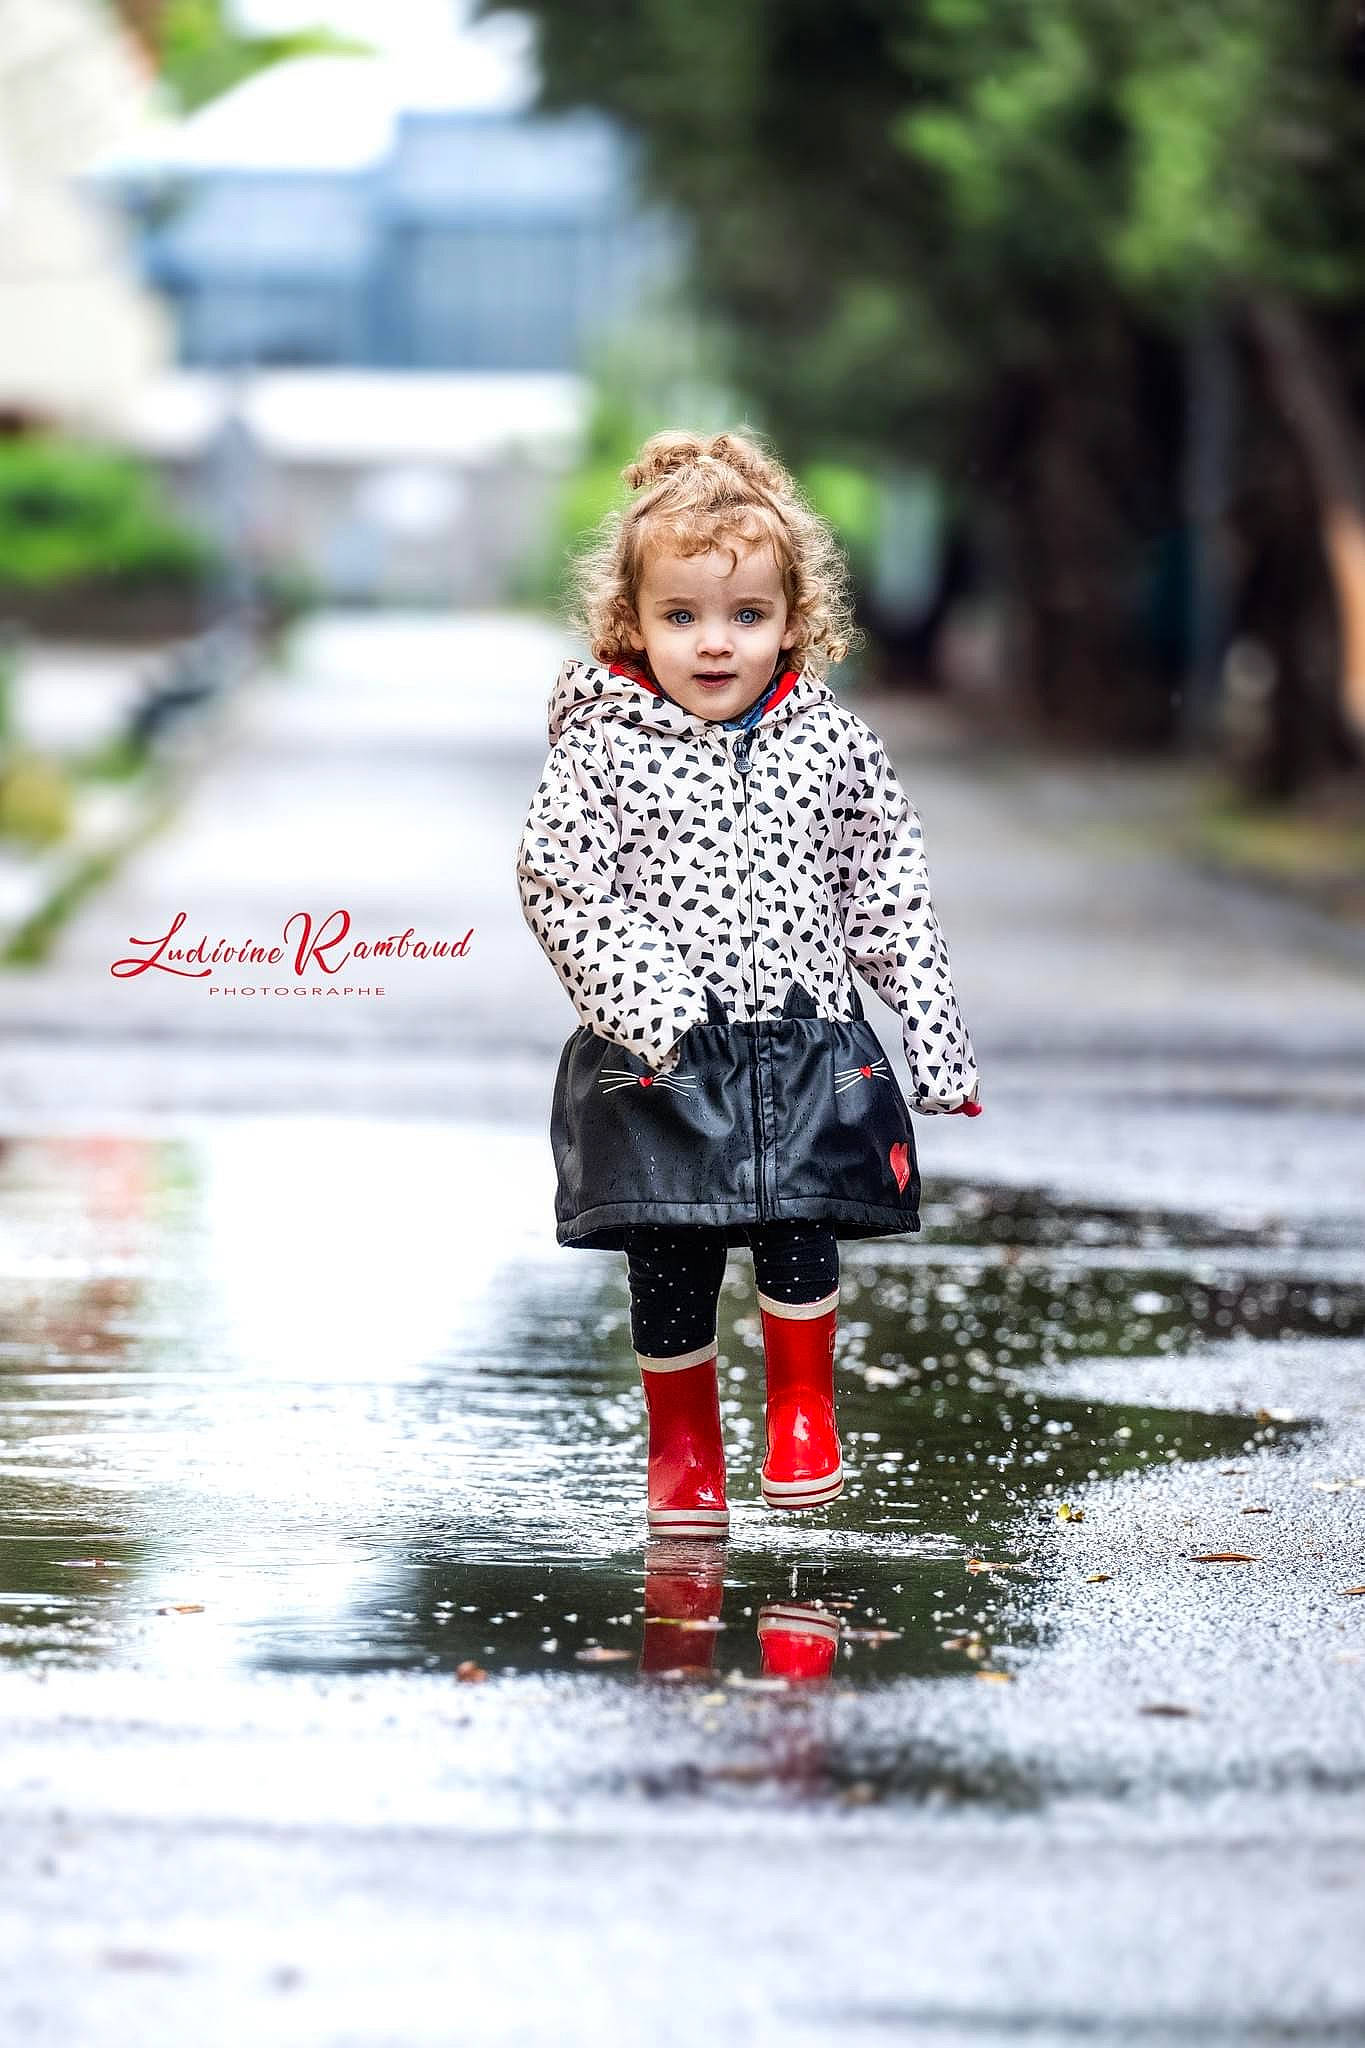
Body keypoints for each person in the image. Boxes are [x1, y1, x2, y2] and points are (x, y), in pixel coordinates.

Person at [516, 428, 981, 1541]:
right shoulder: (603, 746)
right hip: (661, 1050)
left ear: (794, 619)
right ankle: (682, 1445)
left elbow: (887, 887)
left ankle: (802, 1408)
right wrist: (656, 1012)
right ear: (633, 621)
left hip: (806, 1035)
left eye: (745, 616)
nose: (714, 644)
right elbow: (559, 882)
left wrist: (934, 1032)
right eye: (681, 618)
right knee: (669, 1247)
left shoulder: (833, 743)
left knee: (798, 1216)